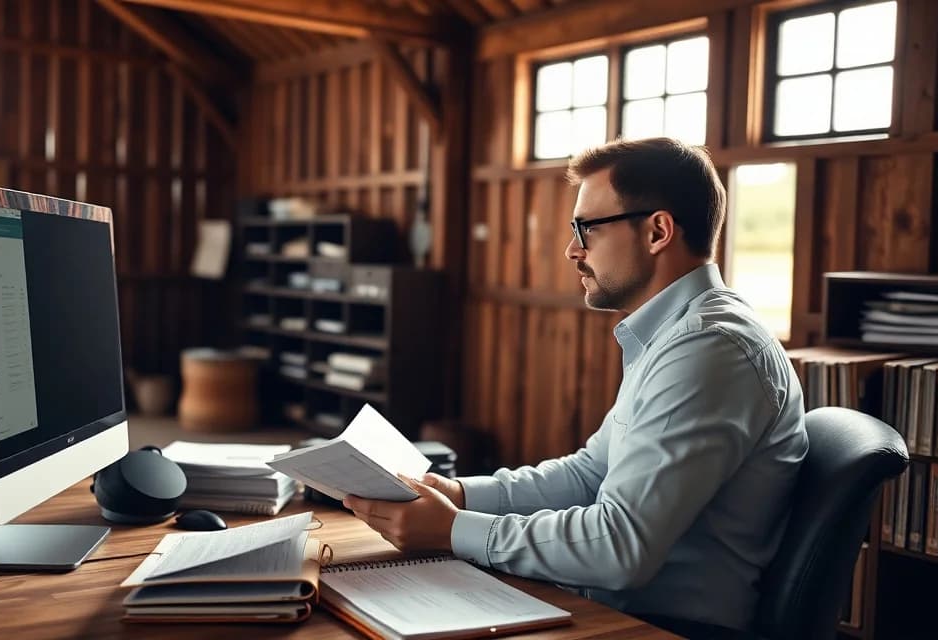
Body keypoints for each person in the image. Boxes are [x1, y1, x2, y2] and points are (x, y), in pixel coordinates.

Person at [343, 137, 809, 639]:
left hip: (660, 626)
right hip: (610, 606)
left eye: (587, 228)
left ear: (657, 231)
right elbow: (590, 474)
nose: (572, 248)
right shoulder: (676, 334)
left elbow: (619, 546)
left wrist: (453, 530)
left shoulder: (709, 350)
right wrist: (459, 495)